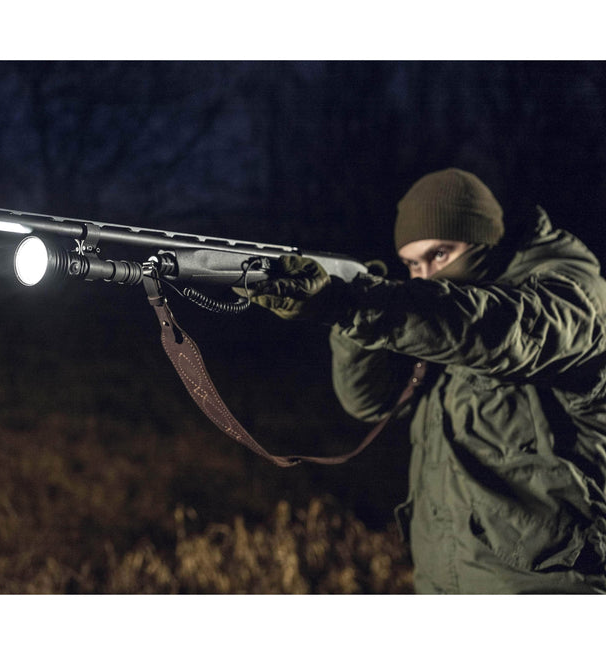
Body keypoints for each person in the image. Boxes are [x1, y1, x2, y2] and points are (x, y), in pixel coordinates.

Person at [248, 168, 606, 593]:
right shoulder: (436, 316)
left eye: (440, 255)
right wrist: (350, 319)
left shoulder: (570, 294)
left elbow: (501, 332)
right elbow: (366, 400)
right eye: (413, 265)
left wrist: (353, 303)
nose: (426, 276)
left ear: (484, 240)